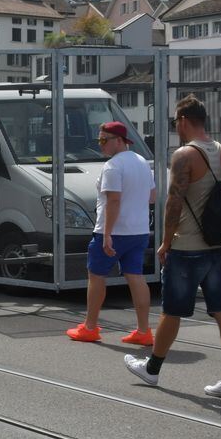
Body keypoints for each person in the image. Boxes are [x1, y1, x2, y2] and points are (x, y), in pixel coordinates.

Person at [125, 95, 221, 400]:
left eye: (175, 122)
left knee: (172, 311)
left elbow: (174, 204)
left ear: (183, 120)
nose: (175, 127)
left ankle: (152, 369)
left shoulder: (184, 155)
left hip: (188, 248)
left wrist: (165, 241)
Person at [67, 122, 156, 344]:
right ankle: (144, 331)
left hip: (114, 232)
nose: (101, 145)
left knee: (96, 277)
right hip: (139, 230)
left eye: (104, 140)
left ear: (119, 140)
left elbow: (113, 202)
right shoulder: (142, 162)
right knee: (136, 277)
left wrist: (107, 235)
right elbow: (152, 196)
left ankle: (90, 327)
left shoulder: (113, 166)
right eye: (99, 140)